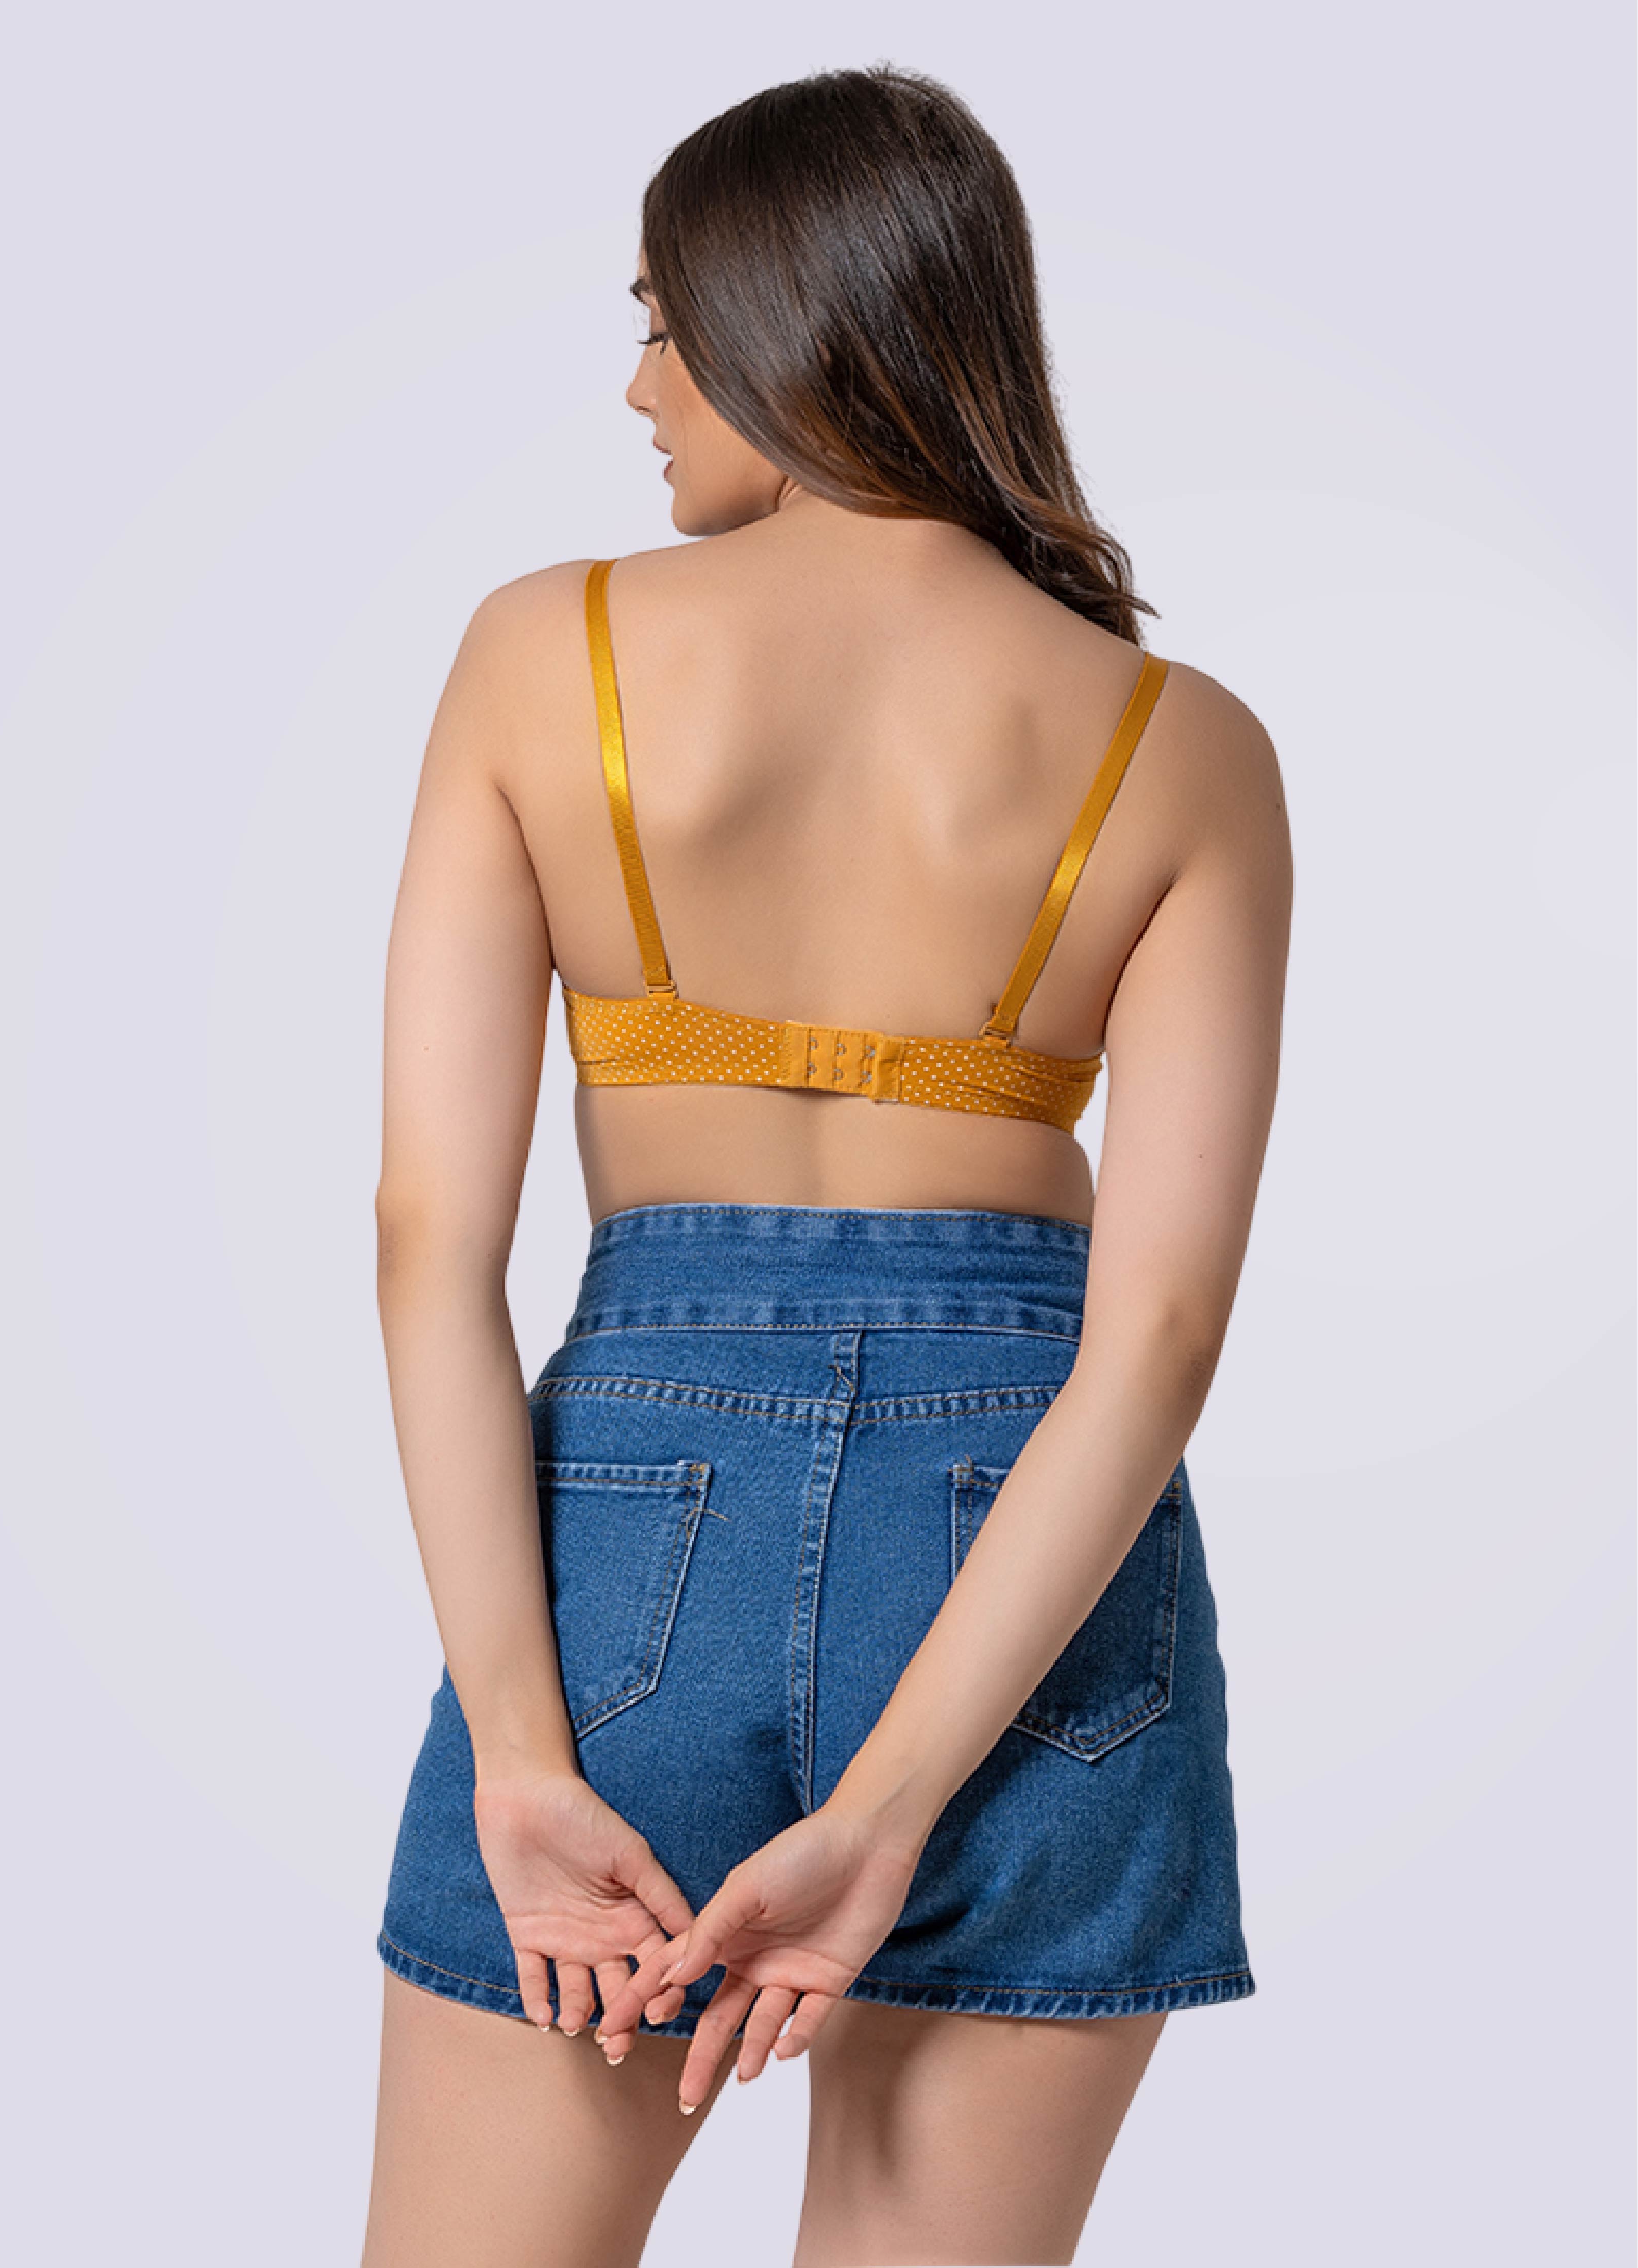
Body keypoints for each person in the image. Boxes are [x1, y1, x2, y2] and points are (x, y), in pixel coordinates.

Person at [361, 62, 1291, 2268]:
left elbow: (429, 1241)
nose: (639, 381)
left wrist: (519, 1745)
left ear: (791, 322)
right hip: (1032, 1557)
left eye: (668, 320)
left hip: (621, 1557)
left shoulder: (542, 652)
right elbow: (1152, 1340)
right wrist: (890, 1814)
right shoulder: (1186, 749)